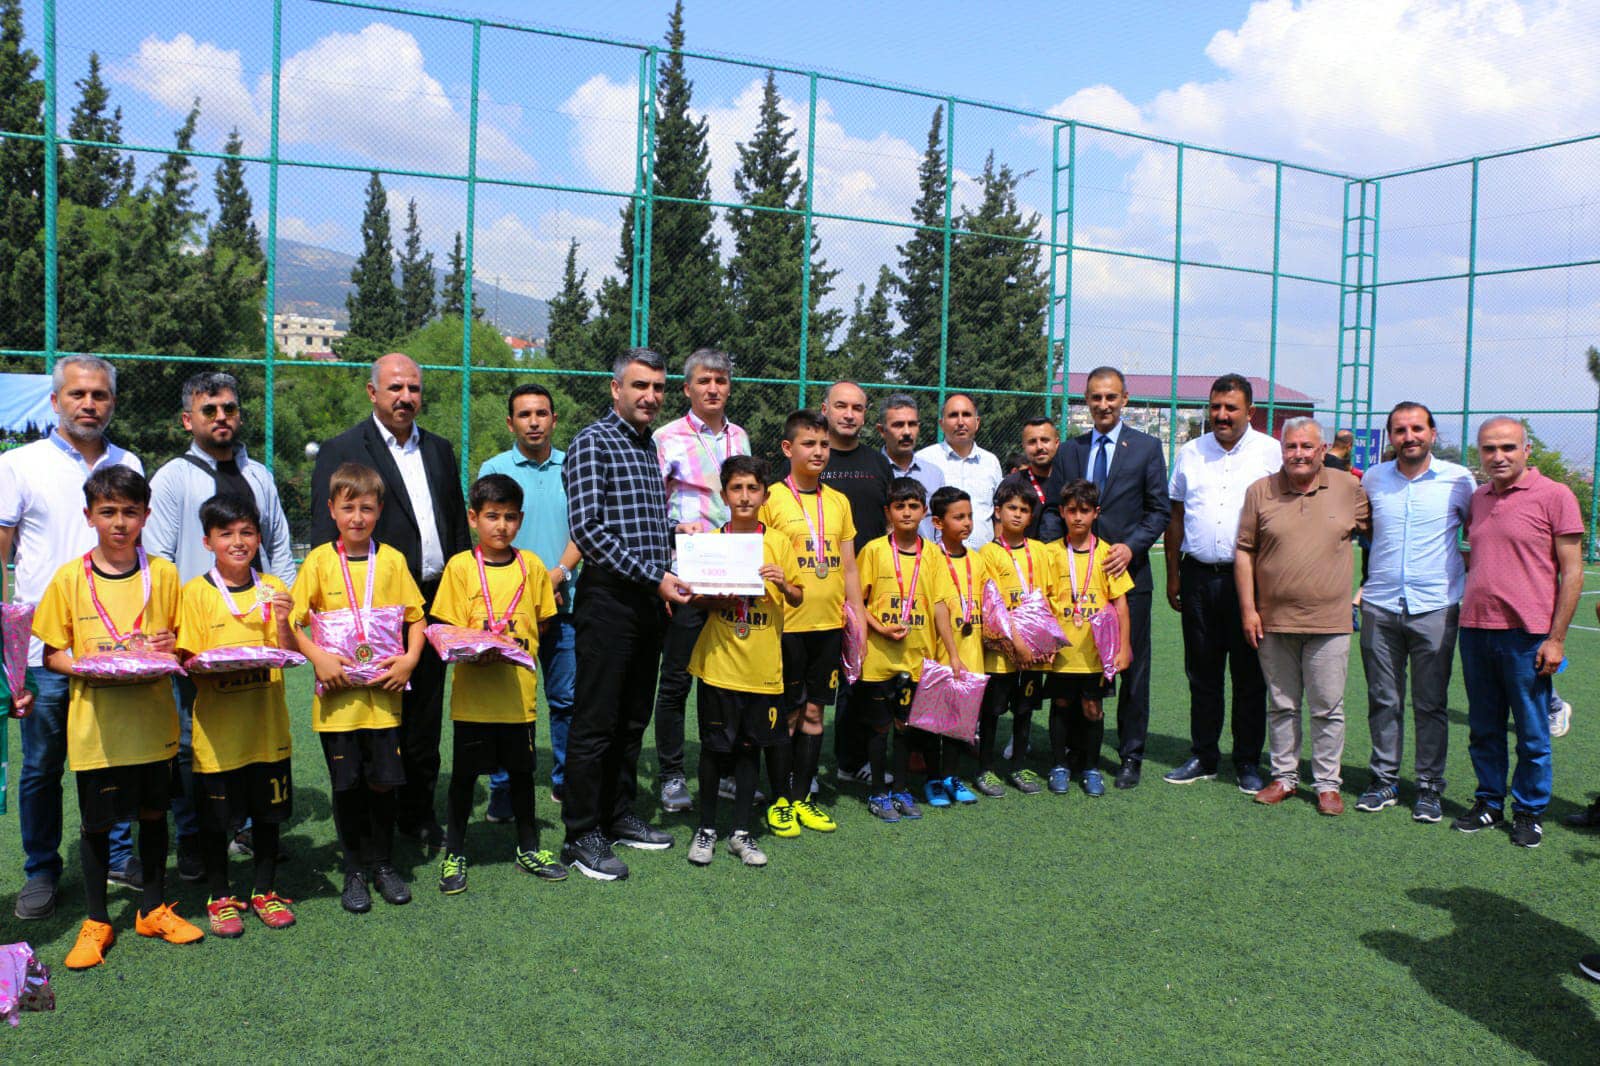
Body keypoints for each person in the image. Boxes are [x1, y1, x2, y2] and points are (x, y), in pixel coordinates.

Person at [32, 466, 201, 970]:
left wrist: (172, 647)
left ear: (146, 515)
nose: (120, 522)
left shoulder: (165, 575)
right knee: (98, 825)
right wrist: (87, 666)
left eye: (130, 512)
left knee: (154, 814)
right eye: (108, 512)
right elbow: (51, 653)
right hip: (97, 727)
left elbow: (182, 643)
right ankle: (97, 919)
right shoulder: (70, 578)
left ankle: (152, 907)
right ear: (89, 517)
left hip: (153, 725)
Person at [309, 353, 470, 850]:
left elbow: (456, 528)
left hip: (432, 601)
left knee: (423, 717)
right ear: (372, 392)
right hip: (365, 610)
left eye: (414, 389)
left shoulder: (440, 450)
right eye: (395, 387)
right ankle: (367, 825)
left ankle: (417, 814)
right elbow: (321, 536)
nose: (406, 397)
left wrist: (462, 597)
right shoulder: (341, 449)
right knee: (370, 718)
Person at [0, 354, 141, 919]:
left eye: (100, 395)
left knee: (117, 757)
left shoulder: (128, 460)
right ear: (55, 401)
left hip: (115, 648)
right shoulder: (18, 464)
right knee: (42, 766)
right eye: (79, 395)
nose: (90, 404)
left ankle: (118, 854)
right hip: (43, 651)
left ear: (111, 403)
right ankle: (40, 870)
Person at [146, 370, 298, 882]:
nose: (221, 418)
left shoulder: (260, 477)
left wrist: (286, 612)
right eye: (209, 410)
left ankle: (251, 828)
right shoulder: (172, 478)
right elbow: (159, 560)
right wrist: (171, 633)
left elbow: (279, 549)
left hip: (257, 638)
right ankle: (195, 838)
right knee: (194, 740)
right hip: (199, 636)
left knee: (254, 735)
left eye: (229, 408)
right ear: (189, 419)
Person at [561, 348, 687, 881]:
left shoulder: (646, 446)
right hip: (608, 602)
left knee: (633, 717)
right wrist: (655, 575)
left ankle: (617, 814)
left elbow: (644, 525)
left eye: (658, 387)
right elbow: (588, 530)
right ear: (616, 389)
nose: (650, 396)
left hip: (647, 604)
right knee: (595, 722)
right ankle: (581, 832)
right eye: (640, 386)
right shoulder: (593, 442)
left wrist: (673, 557)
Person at [292, 462, 427, 912]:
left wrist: (409, 660)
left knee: (384, 784)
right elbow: (290, 625)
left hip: (384, 701)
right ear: (331, 510)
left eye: (366, 508)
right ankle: (354, 869)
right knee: (347, 786)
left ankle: (383, 864)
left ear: (379, 510)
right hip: (337, 706)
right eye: (348, 507)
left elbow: (417, 619)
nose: (357, 517)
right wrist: (320, 657)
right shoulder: (316, 562)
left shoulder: (391, 560)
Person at [430, 474, 566, 893]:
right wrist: (477, 647)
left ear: (520, 520)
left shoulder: (533, 568)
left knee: (523, 773)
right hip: (473, 698)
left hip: (516, 697)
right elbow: (444, 629)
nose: (501, 526)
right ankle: (454, 850)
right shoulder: (460, 567)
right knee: (465, 776)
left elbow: (542, 621)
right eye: (492, 516)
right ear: (474, 518)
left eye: (509, 517)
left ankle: (528, 846)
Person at [1451, 417, 1583, 848]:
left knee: (1531, 732)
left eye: (1508, 447)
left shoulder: (1555, 496)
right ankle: (1489, 802)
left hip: (1527, 636)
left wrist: (1556, 638)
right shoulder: (1479, 497)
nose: (1498, 456)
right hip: (1474, 630)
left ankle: (1528, 811)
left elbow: (1572, 571)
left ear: (1527, 449)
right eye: (1489, 449)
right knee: (1484, 728)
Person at [174, 494, 298, 935]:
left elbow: (288, 654)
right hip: (218, 735)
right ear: (208, 541)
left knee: (268, 816)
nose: (238, 541)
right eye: (226, 533)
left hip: (266, 728)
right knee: (215, 822)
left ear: (259, 537)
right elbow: (187, 660)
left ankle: (265, 889)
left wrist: (283, 622)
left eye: (246, 532)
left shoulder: (272, 588)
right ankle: (220, 895)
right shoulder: (194, 593)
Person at [1235, 419, 1369, 816]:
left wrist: (1364, 592)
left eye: (1307, 446)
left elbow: (1380, 539)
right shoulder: (1261, 490)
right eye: (1291, 446)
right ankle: (1285, 777)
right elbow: (1245, 550)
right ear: (1282, 449)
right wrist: (1248, 608)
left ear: (1322, 448)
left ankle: (1327, 784)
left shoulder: (1348, 488)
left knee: (1328, 706)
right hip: (1274, 620)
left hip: (1330, 622)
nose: (1299, 454)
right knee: (1281, 703)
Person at [1048, 366, 1170, 788]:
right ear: (1086, 400)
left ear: (1125, 400)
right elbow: (1051, 511)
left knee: (1130, 668)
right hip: (1071, 583)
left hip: (1126, 578)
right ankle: (1077, 757)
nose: (1103, 405)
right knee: (1076, 668)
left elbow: (1159, 511)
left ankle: (1131, 755)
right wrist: (1053, 558)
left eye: (1111, 397)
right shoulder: (1069, 450)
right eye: (1095, 398)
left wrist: (1131, 546)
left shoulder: (1147, 449)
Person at [1355, 402, 1474, 823]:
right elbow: (1366, 531)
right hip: (1381, 605)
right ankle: (1384, 780)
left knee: (1431, 703)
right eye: (1400, 430)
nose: (1409, 437)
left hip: (1435, 607)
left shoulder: (1459, 480)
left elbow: (1479, 534)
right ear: (1390, 437)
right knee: (1383, 699)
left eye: (1417, 428)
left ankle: (1428, 788)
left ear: (1433, 433)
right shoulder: (1373, 479)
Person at [1163, 373, 1282, 792]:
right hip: (1198, 578)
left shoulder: (1272, 453)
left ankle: (1247, 760)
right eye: (1215, 407)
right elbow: (1175, 514)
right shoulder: (1190, 452)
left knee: (1250, 676)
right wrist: (1173, 574)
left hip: (1250, 582)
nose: (1221, 415)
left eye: (1230, 408)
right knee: (1202, 673)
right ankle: (1203, 755)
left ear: (1250, 412)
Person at [686, 456, 803, 868]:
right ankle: (706, 829)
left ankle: (741, 832)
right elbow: (695, 598)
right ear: (724, 495)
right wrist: (714, 595)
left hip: (762, 668)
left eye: (752, 488)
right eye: (736, 488)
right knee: (714, 749)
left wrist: (783, 581)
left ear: (765, 496)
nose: (744, 496)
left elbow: (798, 597)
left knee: (750, 748)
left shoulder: (778, 542)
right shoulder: (711, 542)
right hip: (719, 664)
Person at [651, 349, 751, 814]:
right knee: (675, 682)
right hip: (688, 576)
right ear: (687, 388)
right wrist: (676, 531)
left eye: (721, 380)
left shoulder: (740, 437)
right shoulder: (666, 438)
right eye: (704, 381)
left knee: (728, 679)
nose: (714, 388)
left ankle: (726, 769)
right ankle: (671, 775)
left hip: (733, 576)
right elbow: (651, 508)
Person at [478, 384, 581, 812]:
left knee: (566, 700)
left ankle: (565, 779)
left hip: (565, 603)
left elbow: (585, 527)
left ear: (554, 419)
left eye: (542, 413)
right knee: (508, 703)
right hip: (509, 611)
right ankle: (503, 789)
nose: (534, 421)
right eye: (524, 414)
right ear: (510, 422)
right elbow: (490, 534)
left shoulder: (573, 466)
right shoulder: (495, 467)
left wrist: (558, 574)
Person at [760, 410, 863, 837]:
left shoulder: (838, 501)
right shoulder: (769, 498)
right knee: (787, 714)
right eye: (809, 444)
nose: (818, 451)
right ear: (788, 449)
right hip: (785, 626)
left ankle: (803, 797)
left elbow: (850, 568)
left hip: (827, 626)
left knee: (816, 712)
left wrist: (857, 622)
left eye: (823, 445)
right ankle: (779, 799)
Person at [855, 477, 964, 822]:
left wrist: (953, 653)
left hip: (918, 658)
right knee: (879, 728)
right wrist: (880, 627)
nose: (906, 512)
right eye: (899, 506)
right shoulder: (873, 550)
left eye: (913, 506)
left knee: (906, 726)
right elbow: (856, 602)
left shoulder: (933, 556)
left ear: (923, 511)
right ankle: (877, 793)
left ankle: (901, 789)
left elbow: (941, 608)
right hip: (878, 658)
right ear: (888, 511)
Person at [814, 381, 894, 785]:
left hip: (864, 587)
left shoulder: (878, 465)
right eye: (841, 406)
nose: (849, 414)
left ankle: (850, 762)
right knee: (806, 683)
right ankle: (800, 768)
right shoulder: (812, 456)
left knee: (859, 678)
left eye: (857, 408)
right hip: (813, 586)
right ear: (824, 408)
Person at [1042, 479, 1133, 797]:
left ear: (1096, 513)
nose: (1077, 517)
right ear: (1062, 513)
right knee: (1062, 703)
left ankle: (1092, 768)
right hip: (1062, 650)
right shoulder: (1051, 553)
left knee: (1092, 708)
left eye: (1084, 511)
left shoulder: (1109, 554)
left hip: (1096, 653)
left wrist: (1124, 647)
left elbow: (1120, 603)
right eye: (1071, 511)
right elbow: (1041, 602)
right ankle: (1059, 764)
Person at [974, 475, 1056, 795]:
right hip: (1002, 652)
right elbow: (992, 607)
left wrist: (1046, 641)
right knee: (992, 712)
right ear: (997, 511)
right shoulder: (988, 554)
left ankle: (1019, 766)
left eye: (1024, 509)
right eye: (1011, 508)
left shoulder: (1040, 551)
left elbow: (1046, 597)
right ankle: (985, 769)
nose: (1018, 514)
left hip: (1035, 651)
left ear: (1032, 515)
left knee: (1025, 710)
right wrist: (1015, 644)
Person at [926, 485, 985, 807]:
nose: (966, 523)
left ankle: (951, 776)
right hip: (939, 653)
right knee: (933, 721)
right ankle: (933, 780)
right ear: (938, 522)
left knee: (958, 722)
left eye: (970, 517)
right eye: (958, 517)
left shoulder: (977, 560)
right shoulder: (930, 557)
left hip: (971, 651)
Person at [916, 393, 1006, 550]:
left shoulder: (991, 462)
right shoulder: (923, 460)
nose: (960, 422)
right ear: (941, 424)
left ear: (977, 422)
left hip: (982, 561)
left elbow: (998, 513)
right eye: (953, 415)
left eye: (966, 414)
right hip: (936, 561)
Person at [878, 393, 943, 542]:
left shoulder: (934, 474)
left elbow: (940, 528)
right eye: (898, 425)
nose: (907, 432)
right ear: (881, 430)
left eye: (912, 424)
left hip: (927, 561)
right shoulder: (870, 471)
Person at [1019, 417, 1064, 543]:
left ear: (1056, 443)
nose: (1039, 447)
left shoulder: (1070, 481)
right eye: (1032, 442)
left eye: (1045, 440)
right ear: (1024, 446)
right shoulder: (1012, 484)